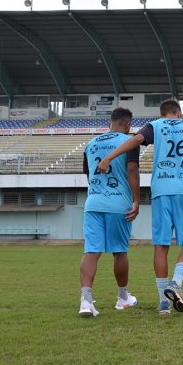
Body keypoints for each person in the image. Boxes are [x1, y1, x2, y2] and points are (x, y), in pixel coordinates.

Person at [97, 99, 183, 315]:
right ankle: (176, 282)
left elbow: (136, 140)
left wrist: (109, 157)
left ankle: (163, 303)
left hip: (161, 189)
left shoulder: (155, 126)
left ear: (162, 114)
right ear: (178, 114)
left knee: (161, 245)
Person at [79, 107, 141, 317]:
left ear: (110, 123)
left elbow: (88, 176)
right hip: (118, 204)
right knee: (119, 251)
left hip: (93, 202)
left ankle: (86, 301)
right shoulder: (129, 141)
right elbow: (132, 169)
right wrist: (136, 200)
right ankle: (123, 297)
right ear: (128, 124)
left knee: (91, 251)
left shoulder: (90, 144)